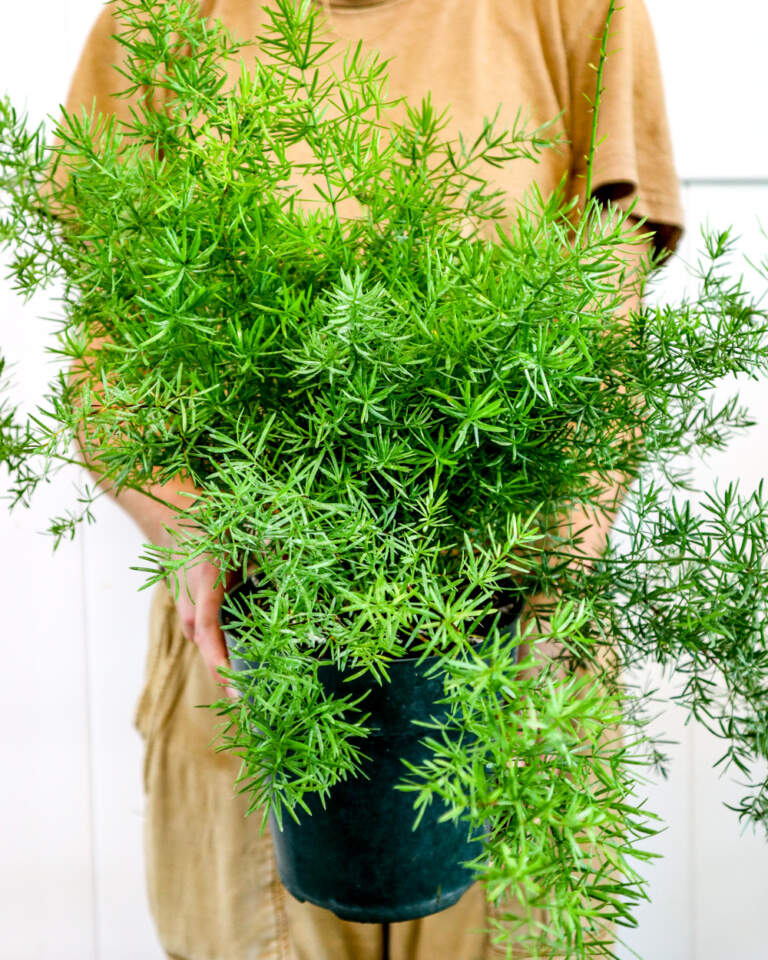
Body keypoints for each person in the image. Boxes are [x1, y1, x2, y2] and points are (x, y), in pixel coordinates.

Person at [62, 1, 685, 957]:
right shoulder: (156, 19)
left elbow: (606, 330)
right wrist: (190, 526)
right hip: (255, 632)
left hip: (503, 633)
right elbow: (110, 361)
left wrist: (560, 548)